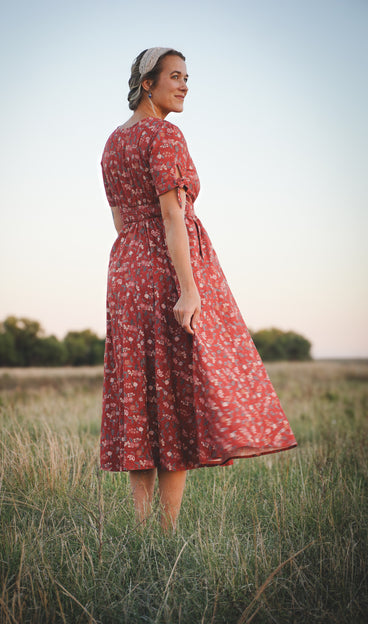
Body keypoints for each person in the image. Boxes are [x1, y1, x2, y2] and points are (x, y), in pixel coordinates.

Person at [100, 47, 297, 531]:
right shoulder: (165, 135)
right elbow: (171, 215)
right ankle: (165, 534)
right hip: (168, 268)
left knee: (140, 393)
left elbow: (122, 221)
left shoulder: (112, 141)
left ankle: (142, 527)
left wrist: (139, 264)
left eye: (188, 77)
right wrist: (188, 290)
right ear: (148, 84)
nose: (185, 85)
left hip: (126, 271)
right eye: (175, 76)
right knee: (173, 397)